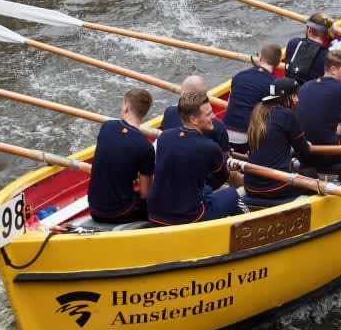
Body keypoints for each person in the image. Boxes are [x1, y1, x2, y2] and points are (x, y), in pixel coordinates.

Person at [148, 90, 240, 225]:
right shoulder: (210, 147)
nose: (214, 116)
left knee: (205, 190)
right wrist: (233, 173)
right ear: (193, 119)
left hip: (154, 213)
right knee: (232, 194)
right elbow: (222, 178)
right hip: (187, 217)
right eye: (208, 114)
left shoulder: (164, 137)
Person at [239, 78, 314, 210]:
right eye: (295, 95)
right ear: (286, 97)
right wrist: (306, 146)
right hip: (276, 187)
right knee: (311, 174)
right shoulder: (287, 115)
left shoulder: (257, 111)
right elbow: (304, 150)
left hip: (250, 185)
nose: (297, 100)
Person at [87, 88, 155, 224]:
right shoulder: (145, 147)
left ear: (127, 106)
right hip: (120, 213)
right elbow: (145, 194)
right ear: (145, 112)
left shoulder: (106, 126)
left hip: (93, 209)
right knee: (157, 199)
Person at [221, 42, 282, 150]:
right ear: (278, 64)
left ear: (260, 57)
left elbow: (230, 104)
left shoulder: (239, 76)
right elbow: (273, 118)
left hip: (224, 134)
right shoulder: (274, 84)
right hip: (247, 139)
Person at [160, 74, 232, 156]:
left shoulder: (169, 112)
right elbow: (224, 156)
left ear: (183, 93)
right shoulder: (218, 126)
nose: (213, 116)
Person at [282, 13, 335, 84]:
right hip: (311, 93)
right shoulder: (327, 56)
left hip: (289, 90)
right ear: (326, 34)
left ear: (309, 29)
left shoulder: (293, 43)